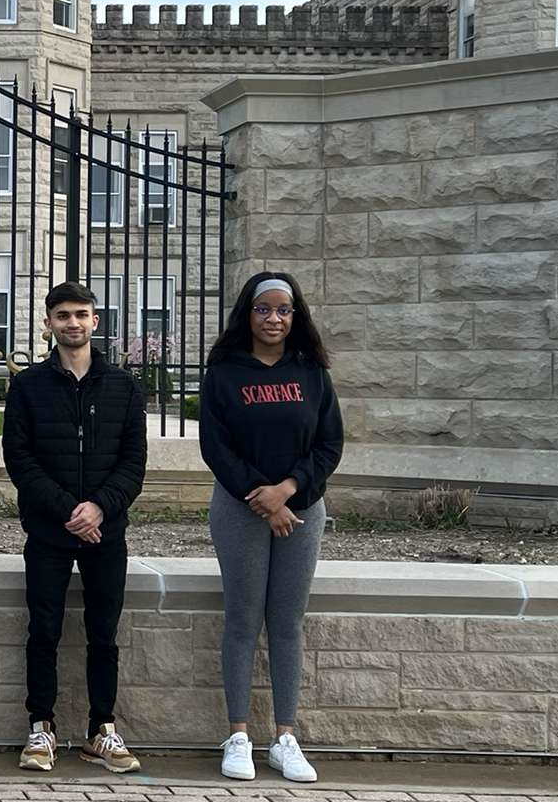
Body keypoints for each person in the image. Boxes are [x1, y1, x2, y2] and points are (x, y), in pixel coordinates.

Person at [200, 271, 344, 784]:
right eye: (264, 309)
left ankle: (285, 737)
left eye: (284, 310)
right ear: (248, 313)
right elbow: (215, 447)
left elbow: (329, 445)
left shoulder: (311, 372)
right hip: (240, 509)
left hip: (301, 510)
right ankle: (238, 734)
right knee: (242, 618)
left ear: (295, 315)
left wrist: (287, 490)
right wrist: (262, 496)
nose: (274, 319)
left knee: (287, 621)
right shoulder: (224, 372)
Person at [3, 282, 147, 774]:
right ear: (48, 323)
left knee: (103, 632)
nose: (73, 323)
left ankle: (101, 730)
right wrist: (70, 510)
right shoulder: (28, 386)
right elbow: (19, 459)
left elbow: (133, 462)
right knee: (43, 629)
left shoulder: (124, 387)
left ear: (95, 321)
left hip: (106, 531)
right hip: (48, 529)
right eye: (62, 315)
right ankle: (40, 728)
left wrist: (99, 509)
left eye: (81, 314)